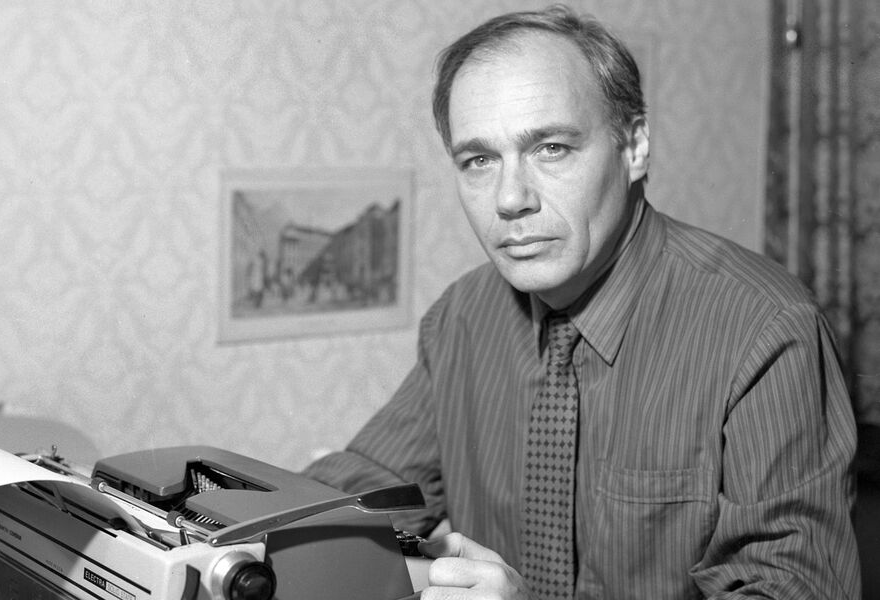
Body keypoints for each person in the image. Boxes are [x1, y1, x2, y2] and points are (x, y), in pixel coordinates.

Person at [303, 5, 860, 599]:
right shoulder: (462, 316)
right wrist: (252, 530)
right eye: (479, 160)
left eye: (551, 148)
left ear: (635, 146)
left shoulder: (765, 329)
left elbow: (792, 588)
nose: (510, 199)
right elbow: (374, 486)